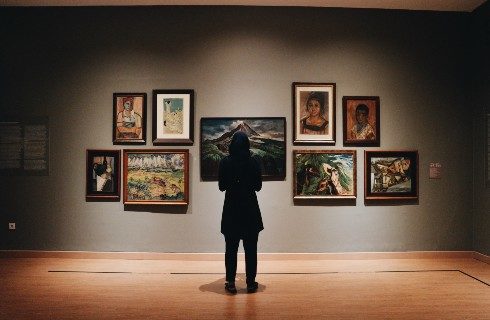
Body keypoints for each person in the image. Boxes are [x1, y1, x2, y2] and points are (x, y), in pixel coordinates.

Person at [218, 131, 263, 294]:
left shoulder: (225, 162)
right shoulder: (254, 162)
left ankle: (230, 282)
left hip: (231, 209)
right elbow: (258, 187)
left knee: (231, 249)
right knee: (251, 249)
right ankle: (250, 283)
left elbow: (221, 187)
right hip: (250, 209)